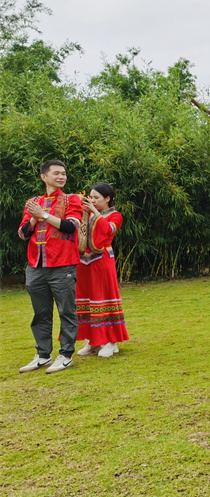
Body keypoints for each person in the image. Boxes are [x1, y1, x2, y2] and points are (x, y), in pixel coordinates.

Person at [17, 160, 83, 374]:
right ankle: (43, 355)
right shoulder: (33, 202)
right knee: (40, 313)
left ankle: (66, 355)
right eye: (56, 173)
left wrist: (44, 215)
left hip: (62, 265)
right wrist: (35, 219)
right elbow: (23, 233)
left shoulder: (72, 199)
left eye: (64, 173)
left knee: (66, 311)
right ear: (44, 177)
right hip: (35, 266)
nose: (61, 177)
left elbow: (71, 226)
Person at [75, 183, 129, 358]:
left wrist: (95, 212)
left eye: (96, 197)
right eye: (90, 197)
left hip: (102, 260)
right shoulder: (87, 213)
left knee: (103, 296)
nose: (92, 200)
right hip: (84, 261)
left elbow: (108, 230)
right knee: (88, 298)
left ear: (108, 199)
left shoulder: (115, 216)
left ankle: (111, 341)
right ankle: (93, 341)